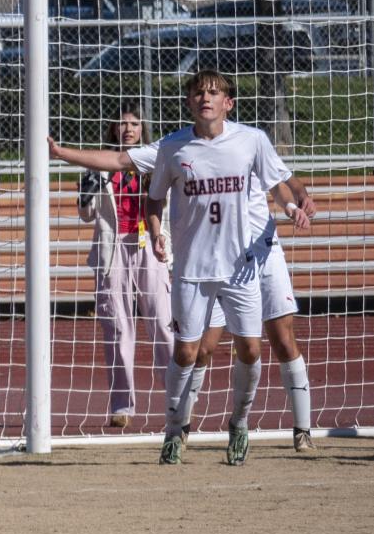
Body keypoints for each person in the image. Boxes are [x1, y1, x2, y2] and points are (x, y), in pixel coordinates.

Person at [49, 74, 317, 460]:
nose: (205, 98)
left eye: (214, 92)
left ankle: (280, 426)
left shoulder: (251, 140)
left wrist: (297, 203)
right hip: (196, 264)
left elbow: (282, 180)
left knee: (269, 342)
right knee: (193, 351)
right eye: (198, 93)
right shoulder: (173, 147)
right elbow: (126, 166)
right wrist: (63, 154)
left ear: (228, 103)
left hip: (257, 253)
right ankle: (175, 429)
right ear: (189, 102)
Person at [72, 107, 174, 429]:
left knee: (162, 323)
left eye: (134, 123)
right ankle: (122, 405)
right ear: (112, 128)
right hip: (112, 250)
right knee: (117, 328)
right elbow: (86, 215)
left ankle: (178, 399)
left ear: (142, 128)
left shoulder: (156, 161)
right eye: (122, 123)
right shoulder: (101, 165)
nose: (128, 129)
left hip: (149, 246)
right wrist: (86, 190)